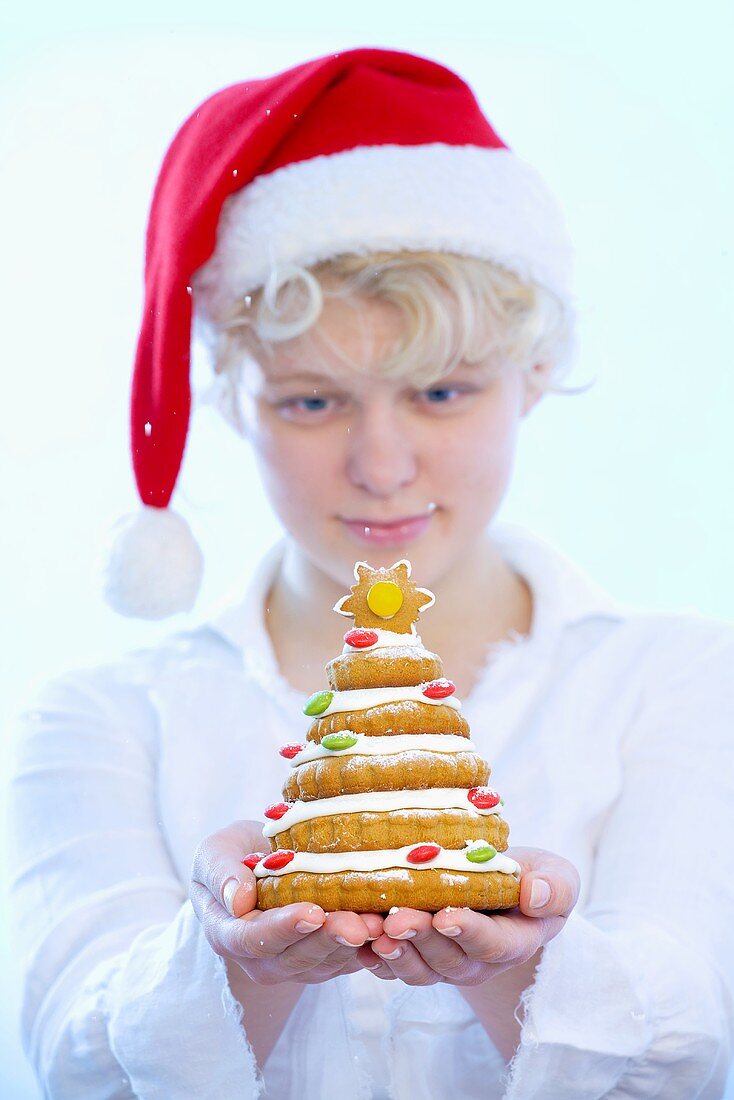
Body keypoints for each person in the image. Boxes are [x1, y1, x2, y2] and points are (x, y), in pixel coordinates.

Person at [7, 47, 734, 1100]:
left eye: (441, 391)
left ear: (531, 376)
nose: (382, 467)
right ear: (231, 396)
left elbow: (694, 1060)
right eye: (311, 400)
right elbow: (79, 1071)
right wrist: (235, 961)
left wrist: (523, 962)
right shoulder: (103, 718)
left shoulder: (681, 677)